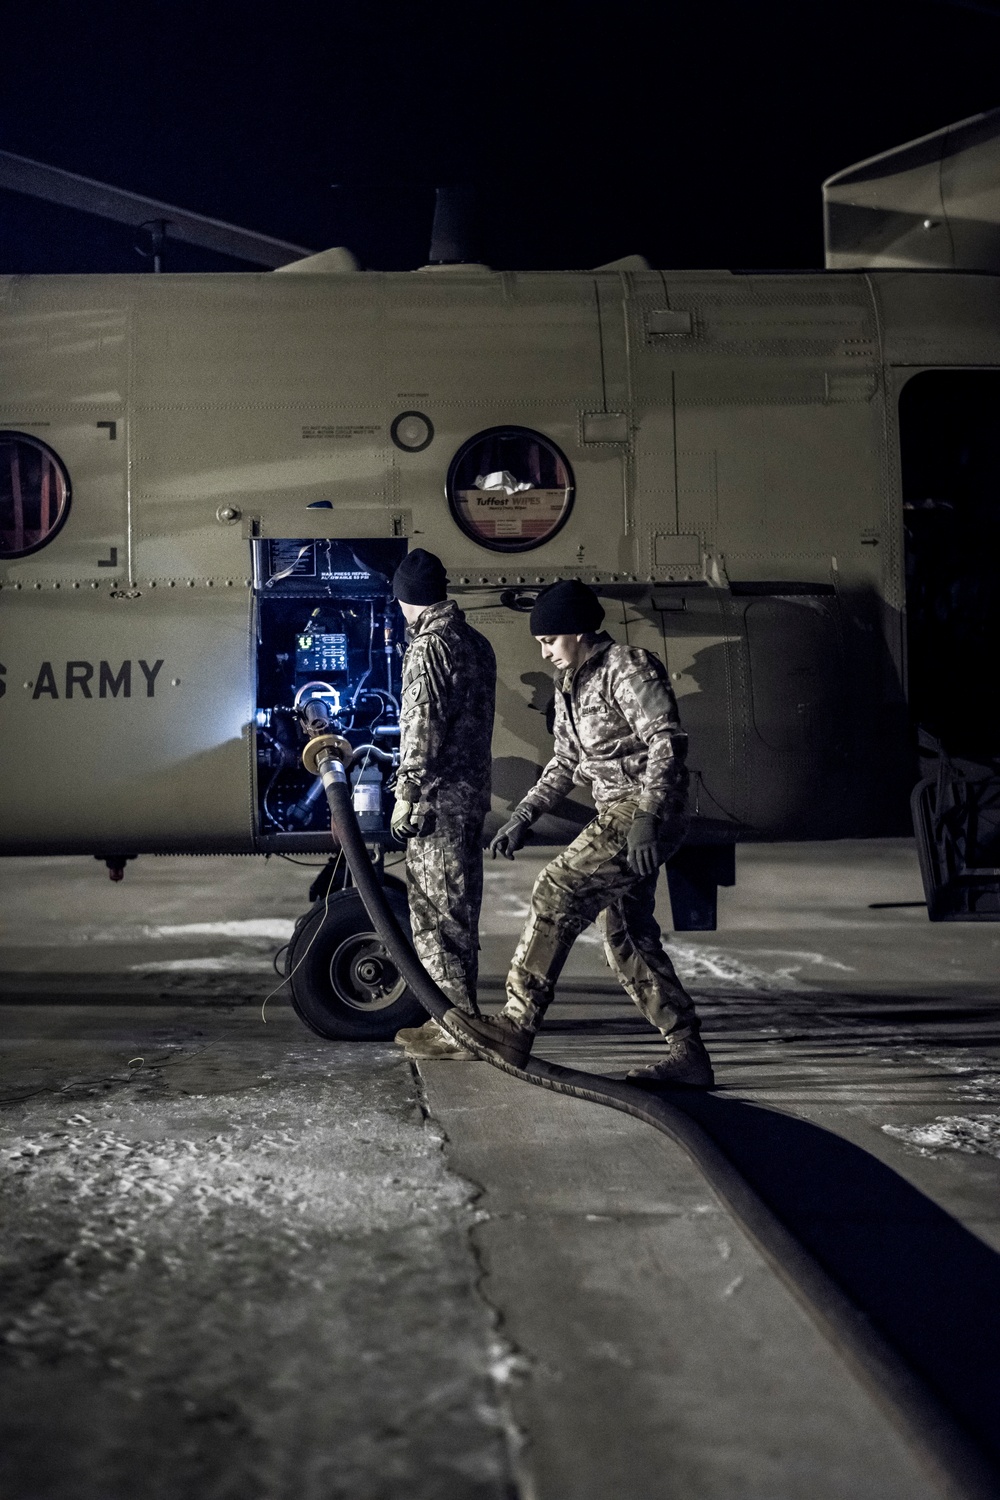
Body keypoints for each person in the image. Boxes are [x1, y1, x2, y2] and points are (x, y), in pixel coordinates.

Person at [444, 579, 713, 1088]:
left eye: (549, 641)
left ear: (578, 631)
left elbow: (666, 742)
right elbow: (567, 761)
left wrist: (646, 818)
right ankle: (688, 1054)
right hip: (619, 810)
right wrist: (523, 815)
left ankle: (517, 1026)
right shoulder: (571, 686)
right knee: (627, 933)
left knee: (557, 889)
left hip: (644, 809)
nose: (545, 653)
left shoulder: (627, 667)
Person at [389, 548, 496, 1060]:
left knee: (435, 911)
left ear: (405, 600)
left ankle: (456, 1029)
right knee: (458, 907)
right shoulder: (475, 642)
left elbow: (422, 726)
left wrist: (406, 793)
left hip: (436, 798)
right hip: (469, 795)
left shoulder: (429, 646)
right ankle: (456, 1018)